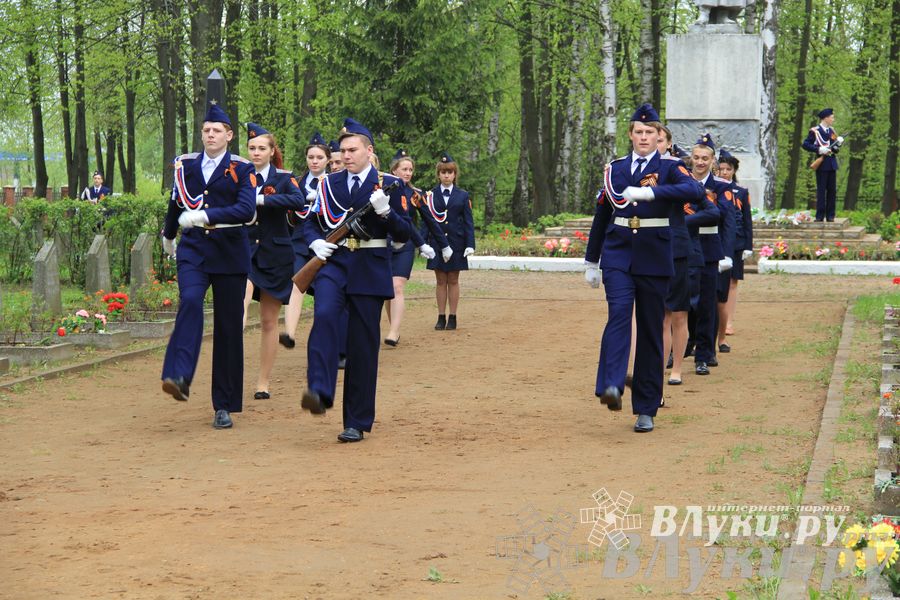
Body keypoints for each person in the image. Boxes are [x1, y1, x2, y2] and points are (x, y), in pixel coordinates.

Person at [584, 103, 703, 433]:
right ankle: (611, 385)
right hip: (619, 252)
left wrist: (651, 193)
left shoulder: (670, 169)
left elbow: (695, 191)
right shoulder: (616, 169)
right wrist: (592, 260)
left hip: (654, 255)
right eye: (639, 131)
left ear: (659, 136)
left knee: (651, 329)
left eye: (650, 132)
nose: (644, 137)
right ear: (631, 135)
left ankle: (647, 408)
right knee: (619, 313)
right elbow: (602, 215)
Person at [299, 118, 412, 443]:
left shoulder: (389, 184)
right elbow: (310, 223)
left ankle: (356, 421)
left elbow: (405, 233)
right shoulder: (328, 184)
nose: (346, 156)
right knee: (323, 315)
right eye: (343, 151)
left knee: (363, 345)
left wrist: (387, 212)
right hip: (335, 262)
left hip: (370, 265)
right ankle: (319, 389)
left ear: (369, 150)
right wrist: (314, 242)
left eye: (352, 150)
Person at [160, 102, 256, 429]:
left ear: (229, 135)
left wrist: (207, 215)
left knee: (228, 329)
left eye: (217, 130)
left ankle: (224, 405)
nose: (210, 134)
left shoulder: (242, 169)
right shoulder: (185, 165)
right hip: (195, 250)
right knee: (189, 301)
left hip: (230, 252)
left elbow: (245, 210)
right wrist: (169, 235)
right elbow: (176, 200)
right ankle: (178, 374)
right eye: (206, 130)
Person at [241, 122, 306, 399]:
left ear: (271, 151)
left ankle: (262, 383)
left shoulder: (283, 178)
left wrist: (263, 201)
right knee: (239, 301)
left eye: (261, 148)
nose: (256, 153)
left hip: (275, 256)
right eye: (252, 148)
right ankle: (234, 337)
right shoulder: (239, 177)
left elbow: (298, 200)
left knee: (269, 321)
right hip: (244, 252)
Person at [383, 149, 451, 345]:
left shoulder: (415, 194)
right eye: (404, 169)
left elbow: (429, 221)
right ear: (394, 171)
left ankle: (394, 332)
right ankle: (392, 326)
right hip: (385, 244)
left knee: (397, 286)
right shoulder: (384, 190)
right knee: (388, 289)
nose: (408, 173)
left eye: (410, 169)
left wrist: (443, 246)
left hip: (406, 243)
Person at [689, 134, 735, 376]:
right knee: (683, 302)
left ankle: (704, 354)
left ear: (713, 161)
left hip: (708, 247)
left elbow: (728, 222)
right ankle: (683, 345)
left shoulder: (722, 187)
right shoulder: (682, 182)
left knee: (707, 303)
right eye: (696, 157)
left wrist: (726, 254)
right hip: (685, 247)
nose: (700, 162)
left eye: (705, 158)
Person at [280, 133, 331, 349]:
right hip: (299, 242)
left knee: (324, 292)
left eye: (319, 157)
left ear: (328, 159)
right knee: (296, 284)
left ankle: (323, 338)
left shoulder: (333, 182)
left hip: (326, 242)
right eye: (311, 157)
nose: (315, 161)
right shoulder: (296, 182)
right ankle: (289, 333)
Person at [425, 152, 474, 331]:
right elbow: (427, 220)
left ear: (455, 175)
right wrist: (424, 243)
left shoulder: (462, 195)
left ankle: (452, 316)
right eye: (443, 172)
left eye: (450, 172)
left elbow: (469, 222)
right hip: (437, 244)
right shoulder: (430, 195)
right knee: (440, 280)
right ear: (438, 174)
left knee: (453, 279)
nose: (446, 175)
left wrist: (470, 244)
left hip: (456, 243)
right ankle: (441, 316)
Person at [715, 150, 753, 350]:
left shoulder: (741, 192)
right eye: (721, 169)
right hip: (717, 240)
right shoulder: (713, 190)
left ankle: (728, 321)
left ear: (734, 171)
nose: (724, 173)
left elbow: (746, 220)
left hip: (736, 242)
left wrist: (748, 245)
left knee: (731, 283)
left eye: (728, 169)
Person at [802, 108, 844, 222]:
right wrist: (819, 149)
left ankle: (830, 215)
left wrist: (838, 144)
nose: (833, 119)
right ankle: (819, 216)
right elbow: (805, 144)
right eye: (832, 117)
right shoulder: (815, 131)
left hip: (831, 164)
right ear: (825, 118)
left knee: (832, 191)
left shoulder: (832, 131)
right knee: (821, 191)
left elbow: (835, 150)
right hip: (821, 163)